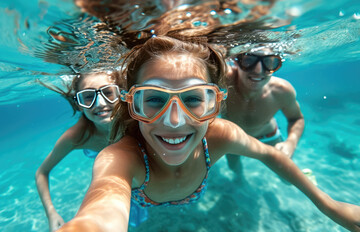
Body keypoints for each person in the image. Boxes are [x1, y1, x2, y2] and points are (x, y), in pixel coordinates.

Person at [58, 36, 360, 232]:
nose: (175, 122)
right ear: (131, 104)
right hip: (145, 202)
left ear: (215, 103)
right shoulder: (121, 157)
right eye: (153, 99)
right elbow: (102, 205)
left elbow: (271, 155)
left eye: (193, 99)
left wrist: (328, 204)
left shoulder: (221, 135)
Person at [35, 70, 122, 232]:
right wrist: (51, 213)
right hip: (94, 149)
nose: (100, 103)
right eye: (88, 97)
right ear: (78, 104)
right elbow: (41, 172)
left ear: (121, 95)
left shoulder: (136, 123)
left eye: (108, 92)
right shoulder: (76, 137)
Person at [224, 48, 305, 173]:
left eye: (269, 62)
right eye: (249, 60)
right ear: (236, 61)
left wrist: (291, 142)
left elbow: (296, 118)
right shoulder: (222, 79)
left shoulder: (282, 91)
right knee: (234, 168)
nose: (258, 70)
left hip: (268, 136)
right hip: (234, 137)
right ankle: (240, 181)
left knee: (287, 177)